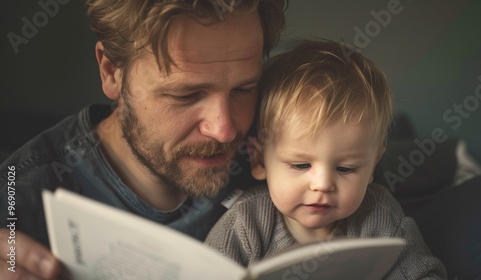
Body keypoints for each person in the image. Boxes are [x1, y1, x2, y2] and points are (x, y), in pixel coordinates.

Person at [0, 0, 287, 279]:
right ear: (111, 72)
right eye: (185, 95)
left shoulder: (281, 149)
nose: (225, 131)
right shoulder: (16, 202)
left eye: (244, 89)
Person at [205, 40, 447, 279]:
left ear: (372, 166)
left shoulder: (379, 215)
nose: (322, 184)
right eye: (301, 165)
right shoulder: (246, 224)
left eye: (345, 168)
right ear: (259, 160)